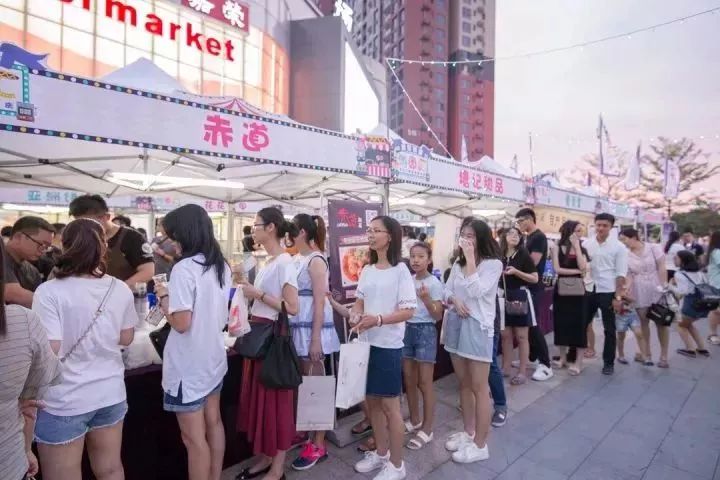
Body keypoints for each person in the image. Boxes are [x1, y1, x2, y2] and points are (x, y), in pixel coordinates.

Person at [32, 218, 136, 480]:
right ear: (103, 247)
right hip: (110, 393)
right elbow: (126, 338)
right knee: (111, 469)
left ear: (65, 246)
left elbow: (51, 348)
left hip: (63, 400)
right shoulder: (119, 288)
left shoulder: (48, 292)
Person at [155, 205, 231, 480]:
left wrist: (164, 299)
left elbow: (181, 323)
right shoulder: (220, 264)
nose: (170, 242)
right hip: (212, 358)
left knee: (193, 440)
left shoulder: (184, 269)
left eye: (171, 236)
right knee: (214, 424)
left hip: (187, 366)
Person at [349, 216, 416, 480]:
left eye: (376, 230)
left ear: (390, 236)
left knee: (390, 407)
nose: (370, 234)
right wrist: (356, 315)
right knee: (372, 404)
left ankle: (397, 466)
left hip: (388, 347)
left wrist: (378, 319)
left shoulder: (401, 270)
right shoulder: (367, 269)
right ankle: (382, 451)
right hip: (367, 345)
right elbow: (359, 302)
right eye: (369, 230)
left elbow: (408, 310)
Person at [236, 207, 299, 480]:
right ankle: (265, 458)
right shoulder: (269, 261)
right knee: (262, 404)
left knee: (276, 405)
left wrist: (257, 294)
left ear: (271, 227)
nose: (254, 230)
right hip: (260, 337)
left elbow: (292, 307)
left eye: (257, 224)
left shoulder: (285, 262)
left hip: (272, 341)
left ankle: (277, 468)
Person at [0, 240, 61, 480]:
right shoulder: (21, 321)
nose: (44, 249)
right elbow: (30, 401)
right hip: (9, 460)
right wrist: (26, 450)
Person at [443, 217, 502, 464]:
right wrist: (454, 300)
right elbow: (446, 291)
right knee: (464, 384)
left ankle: (481, 444)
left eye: (471, 235)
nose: (467, 239)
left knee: (479, 387)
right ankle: (469, 433)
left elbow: (478, 291)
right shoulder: (457, 263)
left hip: (478, 327)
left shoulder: (493, 264)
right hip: (456, 322)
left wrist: (469, 260)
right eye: (463, 234)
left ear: (482, 238)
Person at [289, 214, 341, 471]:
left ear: (302, 232)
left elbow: (320, 302)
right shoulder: (297, 258)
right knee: (305, 385)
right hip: (299, 328)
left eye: (292, 230)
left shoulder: (316, 259)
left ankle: (319, 444)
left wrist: (316, 339)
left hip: (312, 330)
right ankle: (310, 436)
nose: (289, 234)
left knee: (316, 386)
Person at [402, 242, 443, 450]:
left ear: (429, 259)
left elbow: (437, 315)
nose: (416, 260)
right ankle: (415, 419)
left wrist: (426, 299)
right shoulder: (408, 280)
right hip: (406, 330)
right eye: (412, 256)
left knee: (425, 383)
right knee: (409, 380)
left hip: (426, 331)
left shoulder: (434, 282)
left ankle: (427, 429)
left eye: (420, 256)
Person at [70, 195, 154, 287]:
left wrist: (117, 290)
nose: (86, 228)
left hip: (126, 296)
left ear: (106, 217)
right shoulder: (78, 238)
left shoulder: (132, 238)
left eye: (90, 222)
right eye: (79, 223)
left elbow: (147, 271)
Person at [580, 213, 628, 375]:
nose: (600, 228)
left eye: (604, 225)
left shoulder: (619, 247)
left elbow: (621, 274)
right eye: (598, 225)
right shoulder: (586, 244)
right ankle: (576, 357)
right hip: (589, 288)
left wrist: (618, 297)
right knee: (582, 325)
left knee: (609, 329)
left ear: (611, 227)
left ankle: (608, 362)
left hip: (608, 291)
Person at [514, 208, 553, 381]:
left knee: (534, 325)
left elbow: (533, 262)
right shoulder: (529, 238)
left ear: (529, 219)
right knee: (527, 324)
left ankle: (546, 364)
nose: (519, 225)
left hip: (534, 287)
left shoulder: (538, 237)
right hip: (526, 286)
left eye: (520, 221)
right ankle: (532, 357)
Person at [618, 228, 666, 366]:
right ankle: (647, 354)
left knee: (661, 322)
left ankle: (663, 357)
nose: (623, 242)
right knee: (643, 323)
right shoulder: (626, 255)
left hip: (657, 287)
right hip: (639, 289)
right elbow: (628, 275)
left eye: (624, 239)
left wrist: (664, 287)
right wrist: (626, 289)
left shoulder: (653, 248)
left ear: (633, 237)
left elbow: (662, 267)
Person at [498, 227, 538, 384]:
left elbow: (534, 278)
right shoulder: (498, 254)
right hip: (502, 296)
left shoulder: (523, 254)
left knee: (522, 337)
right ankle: (506, 368)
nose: (514, 236)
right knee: (505, 336)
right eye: (511, 234)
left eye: (517, 234)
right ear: (504, 237)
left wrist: (516, 272)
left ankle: (522, 371)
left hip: (519, 296)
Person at [3, 216, 55, 307]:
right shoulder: (2, 258)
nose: (43, 250)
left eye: (47, 247)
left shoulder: (32, 271)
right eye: (41, 244)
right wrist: (54, 306)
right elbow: (12, 294)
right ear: (18, 237)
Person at [669, 250, 710, 357]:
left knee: (680, 325)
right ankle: (702, 348)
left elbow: (682, 292)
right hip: (703, 305)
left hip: (691, 304)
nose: (674, 260)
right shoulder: (699, 272)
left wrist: (670, 286)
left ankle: (690, 349)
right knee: (688, 324)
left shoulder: (679, 274)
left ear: (683, 261)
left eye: (676, 258)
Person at [707, 231, 720, 346]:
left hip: (716, 285)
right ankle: (712, 334)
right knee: (715, 311)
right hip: (717, 285)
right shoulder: (717, 252)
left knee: (717, 311)